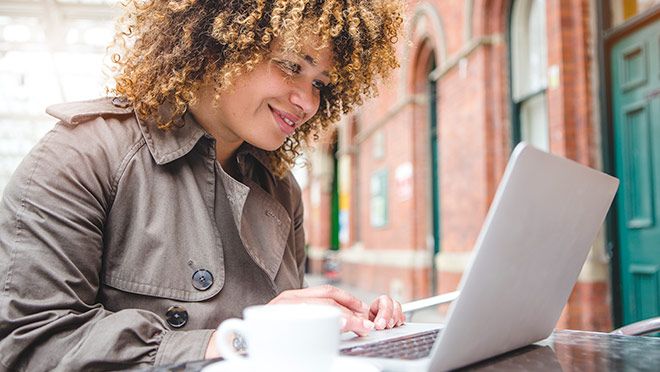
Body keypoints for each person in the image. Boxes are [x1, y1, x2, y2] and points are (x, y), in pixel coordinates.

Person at [0, 0, 406, 370]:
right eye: (292, 66)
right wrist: (238, 340)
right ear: (220, 43)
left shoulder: (281, 189)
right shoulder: (81, 156)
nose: (308, 102)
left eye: (319, 83)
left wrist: (348, 323)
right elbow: (30, 342)